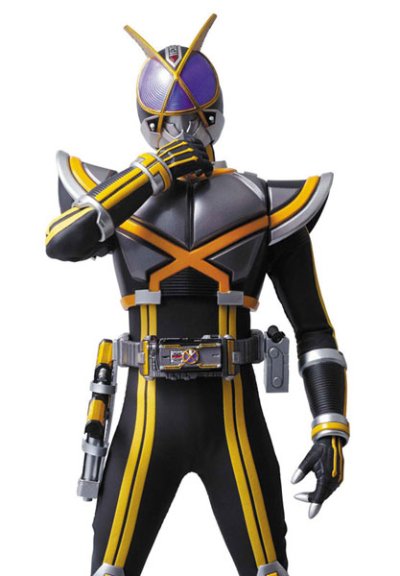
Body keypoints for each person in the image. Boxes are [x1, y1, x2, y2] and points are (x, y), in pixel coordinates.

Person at [46, 14, 349, 576]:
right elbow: (61, 242)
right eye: (170, 123)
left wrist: (330, 425)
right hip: (145, 420)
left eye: (195, 120)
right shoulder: (116, 199)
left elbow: (313, 329)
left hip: (232, 422)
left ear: (215, 117)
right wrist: (148, 177)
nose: (184, 132)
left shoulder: (265, 204)